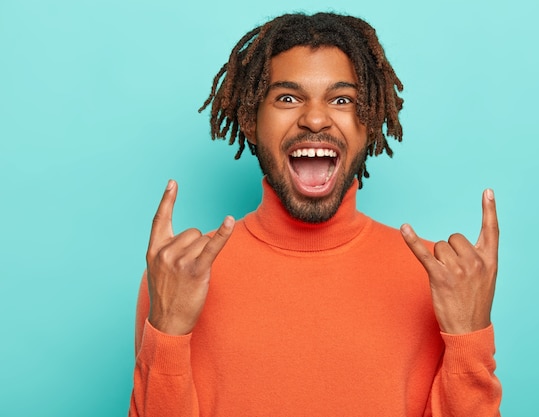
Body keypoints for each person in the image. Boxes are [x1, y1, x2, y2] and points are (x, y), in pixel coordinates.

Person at [129, 12, 502, 417]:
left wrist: (470, 336)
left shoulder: (439, 280)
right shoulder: (180, 275)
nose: (316, 118)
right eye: (287, 98)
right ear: (252, 122)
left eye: (342, 99)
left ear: (370, 123)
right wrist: (166, 331)